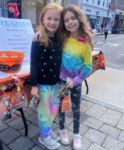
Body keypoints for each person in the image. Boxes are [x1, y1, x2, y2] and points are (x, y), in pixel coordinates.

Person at [58, 5, 92, 150]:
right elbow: (46, 32)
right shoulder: (63, 38)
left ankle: (76, 134)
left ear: (79, 19)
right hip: (61, 81)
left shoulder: (85, 43)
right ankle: (62, 130)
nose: (70, 22)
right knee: (61, 107)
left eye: (73, 18)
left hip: (75, 83)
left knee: (76, 108)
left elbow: (88, 67)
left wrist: (75, 81)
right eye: (66, 20)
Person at [30, 3, 63, 150]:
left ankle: (47, 132)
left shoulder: (60, 38)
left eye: (56, 19)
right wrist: (34, 85)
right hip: (43, 85)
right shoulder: (38, 40)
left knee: (53, 109)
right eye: (49, 18)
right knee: (44, 112)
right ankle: (43, 137)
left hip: (55, 84)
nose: (52, 22)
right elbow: (34, 63)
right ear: (43, 19)